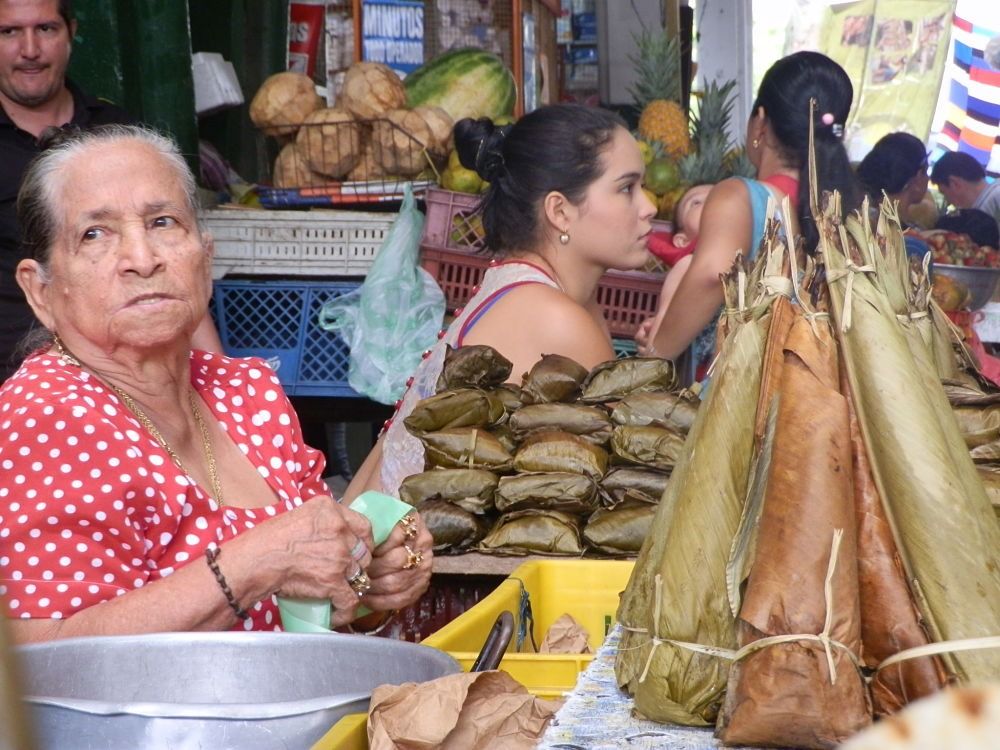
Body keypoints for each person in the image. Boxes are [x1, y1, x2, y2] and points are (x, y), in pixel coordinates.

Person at [0, 124, 433, 643]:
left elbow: (312, 609)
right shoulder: (44, 416)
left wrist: (367, 585)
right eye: (95, 234)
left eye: (163, 222)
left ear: (205, 258)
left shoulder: (247, 392)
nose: (142, 258)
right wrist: (254, 563)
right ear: (41, 291)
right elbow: (44, 655)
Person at [346, 103, 657, 499]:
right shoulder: (552, 318)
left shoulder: (521, 287)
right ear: (560, 211)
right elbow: (626, 475)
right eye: (627, 188)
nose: (650, 207)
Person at [0, 0, 220, 382]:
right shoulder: (27, 413)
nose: (30, 50)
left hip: (137, 383)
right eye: (9, 32)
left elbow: (174, 272)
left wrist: (220, 383)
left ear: (71, 31)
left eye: (46, 29)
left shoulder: (118, 132)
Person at [639, 51, 861, 367]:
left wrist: (654, 355)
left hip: (740, 404)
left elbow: (710, 276)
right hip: (811, 400)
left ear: (760, 124)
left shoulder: (739, 197)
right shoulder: (848, 214)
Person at [641, 183, 712, 347]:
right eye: (696, 202)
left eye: (720, 197)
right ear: (682, 241)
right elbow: (665, 318)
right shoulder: (686, 266)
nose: (713, 203)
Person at [856, 131, 932, 228]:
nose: (928, 178)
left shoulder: (852, 220)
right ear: (917, 178)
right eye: (925, 172)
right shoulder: (916, 239)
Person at [930, 151, 1000, 229]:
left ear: (954, 184)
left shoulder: (996, 195)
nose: (948, 201)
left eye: (944, 193)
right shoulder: (979, 210)